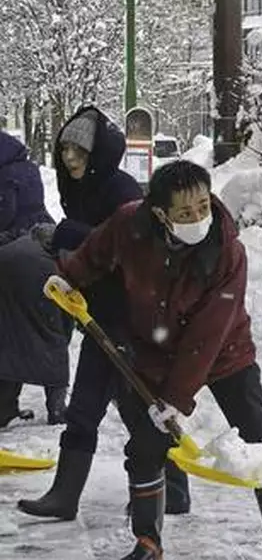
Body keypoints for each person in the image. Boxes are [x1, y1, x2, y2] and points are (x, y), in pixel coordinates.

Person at [46, 160, 262, 560]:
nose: (199, 216)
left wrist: (176, 401)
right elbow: (95, 251)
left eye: (203, 205)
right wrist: (68, 275)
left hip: (225, 351)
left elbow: (208, 334)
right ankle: (148, 541)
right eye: (185, 212)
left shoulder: (227, 251)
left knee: (259, 437)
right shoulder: (130, 224)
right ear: (160, 213)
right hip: (155, 350)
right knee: (146, 445)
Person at [18, 107, 192, 521]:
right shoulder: (79, 189)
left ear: (97, 153)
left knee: (135, 410)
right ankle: (65, 496)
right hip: (100, 315)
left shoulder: (122, 189)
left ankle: (173, 487)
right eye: (65, 150)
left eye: (79, 151)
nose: (71, 159)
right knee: (91, 410)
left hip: (133, 321)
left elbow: (128, 245)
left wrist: (63, 235)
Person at [0, 130, 67, 427]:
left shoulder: (6, 175)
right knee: (49, 331)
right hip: (45, 249)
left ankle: (4, 408)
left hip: (17, 253)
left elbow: (5, 213)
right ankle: (55, 407)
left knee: (9, 335)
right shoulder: (26, 167)